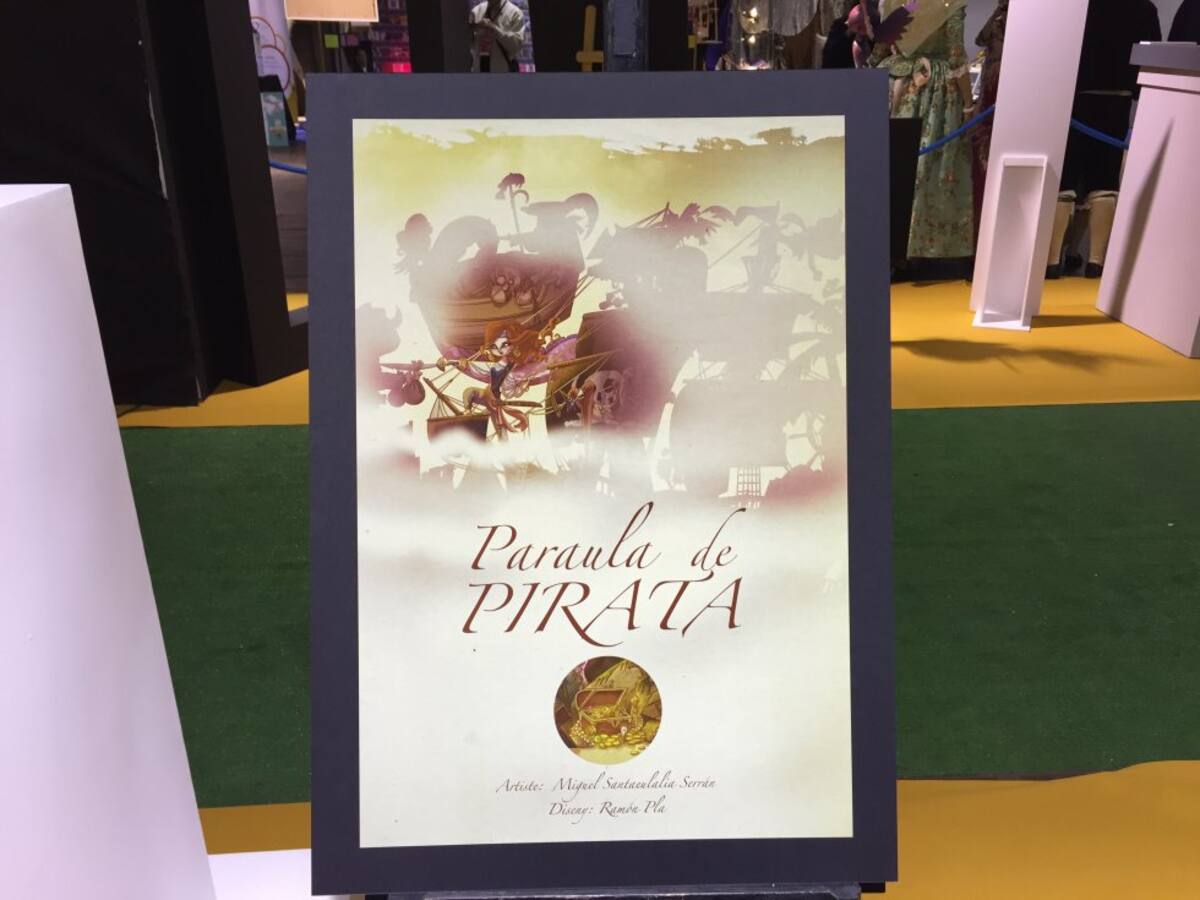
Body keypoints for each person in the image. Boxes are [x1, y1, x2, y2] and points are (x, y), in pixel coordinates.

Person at [1049, 0, 1161, 279]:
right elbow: (1151, 59)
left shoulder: (1075, 6)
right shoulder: (1145, 8)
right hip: (1117, 102)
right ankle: (1096, 261)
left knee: (1065, 181)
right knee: (1105, 182)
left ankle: (1051, 260)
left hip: (1075, 99)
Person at [871, 0, 975, 265]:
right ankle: (923, 247)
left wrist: (868, 74)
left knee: (893, 162)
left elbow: (881, 45)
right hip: (933, 90)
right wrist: (968, 103)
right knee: (928, 164)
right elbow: (956, 54)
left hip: (894, 81)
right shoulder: (947, 3)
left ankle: (888, 243)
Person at [971, 0, 1008, 247]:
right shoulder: (999, 17)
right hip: (991, 81)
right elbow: (980, 39)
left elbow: (981, 39)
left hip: (1000, 80)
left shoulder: (1011, 20)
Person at [469, 0, 526, 73]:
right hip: (478, 71)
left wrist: (494, 29)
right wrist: (471, 29)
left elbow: (516, 46)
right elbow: (467, 45)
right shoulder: (476, 11)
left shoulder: (515, 13)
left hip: (502, 72)